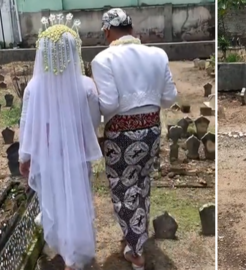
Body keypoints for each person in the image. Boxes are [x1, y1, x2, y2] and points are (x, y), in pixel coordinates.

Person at [91, 8, 178, 270]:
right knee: (141, 184)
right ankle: (134, 238)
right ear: (131, 28)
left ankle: (136, 253)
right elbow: (170, 98)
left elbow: (108, 105)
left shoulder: (103, 59)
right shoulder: (157, 54)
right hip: (151, 130)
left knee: (123, 190)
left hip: (122, 136)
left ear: (107, 31)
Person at [18, 13, 102, 270]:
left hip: (48, 155)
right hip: (76, 155)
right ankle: (73, 254)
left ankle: (65, 249)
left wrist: (25, 157)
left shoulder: (33, 87)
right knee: (77, 198)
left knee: (55, 198)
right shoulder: (86, 85)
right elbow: (93, 122)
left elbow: (26, 125)